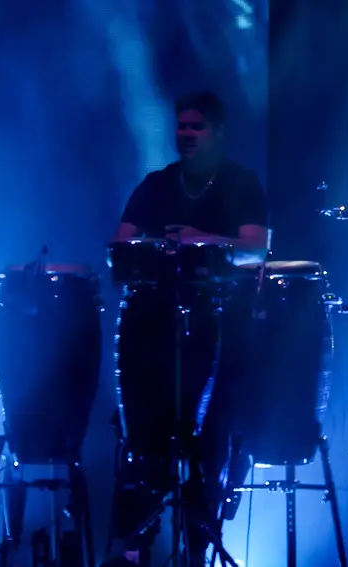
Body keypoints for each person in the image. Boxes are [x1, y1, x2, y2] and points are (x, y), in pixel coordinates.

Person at [104, 91, 267, 567]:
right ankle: (134, 549)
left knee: (207, 448)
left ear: (217, 133)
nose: (186, 135)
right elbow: (120, 244)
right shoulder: (155, 185)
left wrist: (205, 242)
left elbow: (255, 250)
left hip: (217, 333)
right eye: (182, 127)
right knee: (145, 444)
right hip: (153, 332)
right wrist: (154, 246)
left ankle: (198, 553)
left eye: (196, 127)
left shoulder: (241, 184)